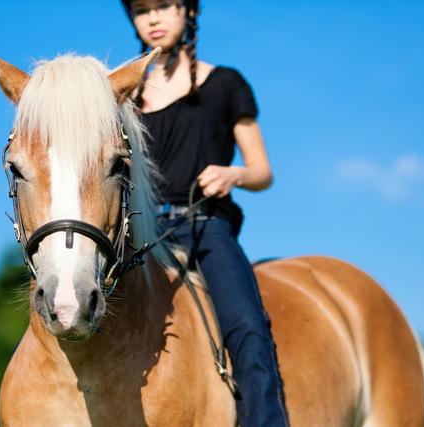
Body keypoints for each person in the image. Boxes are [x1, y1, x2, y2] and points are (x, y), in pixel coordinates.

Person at [119, 0, 289, 425]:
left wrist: (234, 174)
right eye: (142, 10)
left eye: (164, 6)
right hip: (139, 232)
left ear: (189, 11)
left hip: (204, 226)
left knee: (248, 326)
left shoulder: (226, 83)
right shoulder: (121, 94)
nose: (153, 19)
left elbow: (263, 172)